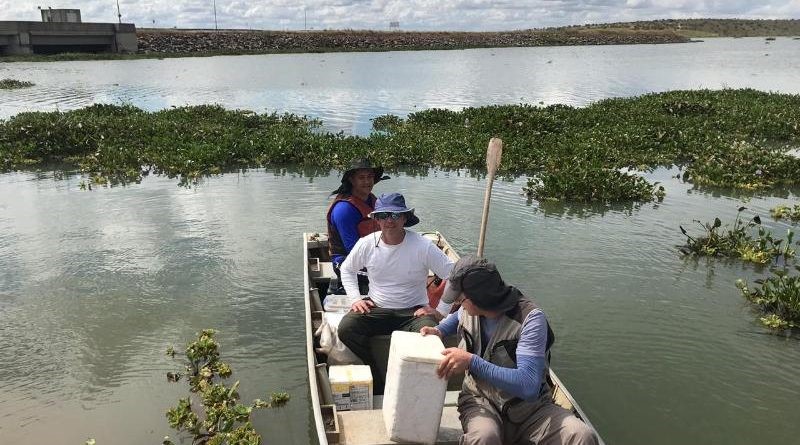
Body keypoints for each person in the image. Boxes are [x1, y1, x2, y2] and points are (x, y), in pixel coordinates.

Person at [421, 256, 599, 445]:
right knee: (485, 437)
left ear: (480, 297)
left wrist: (472, 361)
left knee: (581, 435)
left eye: (460, 298)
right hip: (480, 399)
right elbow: (458, 316)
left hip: (530, 410)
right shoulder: (468, 309)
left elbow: (529, 386)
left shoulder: (530, 320)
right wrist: (439, 330)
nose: (457, 302)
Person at [337, 192, 454, 392]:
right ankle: (377, 376)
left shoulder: (422, 245)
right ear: (376, 219)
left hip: (414, 312)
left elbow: (454, 275)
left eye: (394, 215)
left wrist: (441, 310)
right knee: (346, 328)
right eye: (383, 216)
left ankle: (412, 385)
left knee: (430, 339)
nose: (389, 220)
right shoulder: (367, 243)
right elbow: (347, 269)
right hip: (377, 307)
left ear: (404, 218)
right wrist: (356, 299)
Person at [326, 158, 388, 295]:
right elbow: (354, 252)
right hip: (348, 262)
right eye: (361, 178)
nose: (367, 182)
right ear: (352, 180)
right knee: (394, 274)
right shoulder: (344, 209)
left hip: (374, 254)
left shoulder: (372, 200)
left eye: (370, 177)